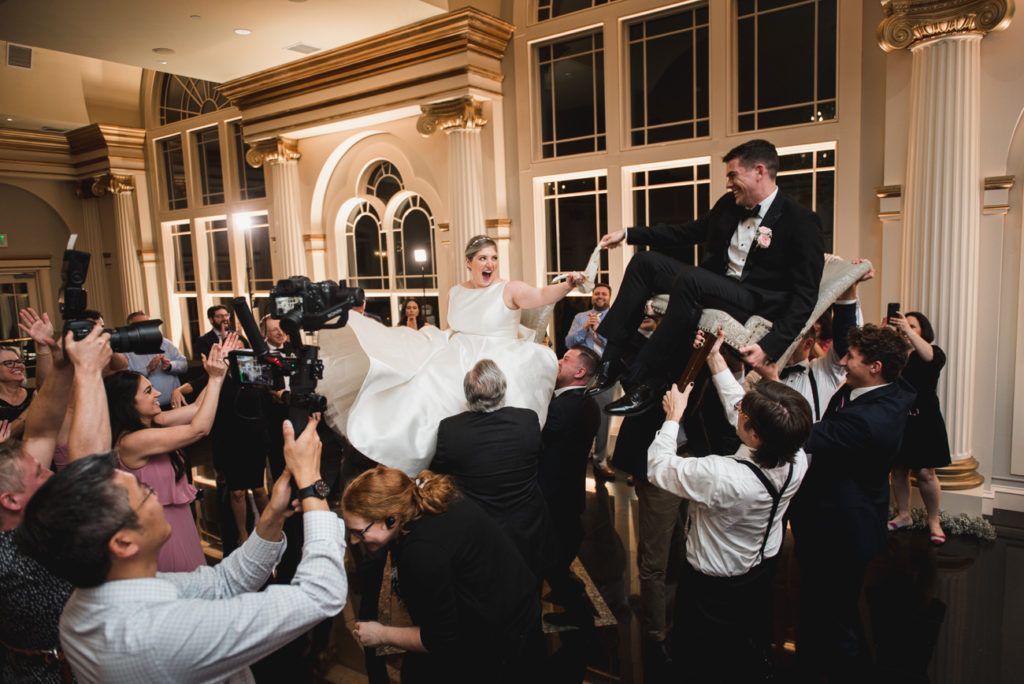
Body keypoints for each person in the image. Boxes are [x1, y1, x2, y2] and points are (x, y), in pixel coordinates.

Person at [17, 414, 347, 684]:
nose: (157, 497)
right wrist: (311, 485)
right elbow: (320, 595)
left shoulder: (93, 598)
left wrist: (272, 516)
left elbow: (224, 584)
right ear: (123, 543)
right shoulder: (157, 636)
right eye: (145, 492)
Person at [587, 139, 825, 416]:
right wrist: (629, 234)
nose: (728, 184)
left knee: (691, 280)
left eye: (733, 175)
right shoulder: (729, 205)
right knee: (644, 263)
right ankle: (611, 361)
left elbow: (806, 294)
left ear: (759, 171)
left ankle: (647, 382)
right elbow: (686, 233)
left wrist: (770, 347)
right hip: (715, 285)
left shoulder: (801, 221)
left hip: (753, 301)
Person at [318, 234, 584, 475]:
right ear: (469, 262)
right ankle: (409, 459)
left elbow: (540, 295)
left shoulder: (509, 288)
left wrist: (567, 285)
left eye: (493, 258)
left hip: (497, 355)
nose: (489, 263)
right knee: (418, 387)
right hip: (455, 349)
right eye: (482, 258)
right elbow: (454, 327)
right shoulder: (455, 291)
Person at [647, 332, 812, 680]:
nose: (740, 405)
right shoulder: (796, 456)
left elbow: (658, 468)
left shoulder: (723, 476)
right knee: (746, 648)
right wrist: (714, 356)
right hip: (760, 571)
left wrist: (672, 418)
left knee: (700, 660)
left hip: (712, 587)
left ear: (753, 435)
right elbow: (738, 404)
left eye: (744, 411)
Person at [788, 324, 916, 682]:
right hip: (851, 517)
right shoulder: (894, 390)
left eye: (852, 357)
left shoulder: (867, 420)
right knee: (829, 605)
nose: (842, 361)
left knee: (835, 616)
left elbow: (802, 434)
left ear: (876, 366)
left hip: (838, 529)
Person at [344, 466, 543, 683]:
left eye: (359, 532)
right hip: (510, 607)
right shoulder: (427, 500)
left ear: (391, 519)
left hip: (503, 638)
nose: (353, 541)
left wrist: (381, 634)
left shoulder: (421, 552)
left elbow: (438, 639)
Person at [94, 337, 232, 571]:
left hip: (180, 522)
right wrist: (217, 380)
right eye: (148, 390)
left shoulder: (155, 422)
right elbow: (199, 428)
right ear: (127, 403)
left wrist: (220, 368)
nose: (158, 393)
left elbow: (198, 409)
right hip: (158, 530)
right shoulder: (132, 441)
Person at [0, 325, 75, 683]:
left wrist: (60, 367)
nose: (51, 476)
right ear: (11, 500)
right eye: (39, 475)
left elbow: (43, 429)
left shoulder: (38, 515)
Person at [750, 262, 871, 422]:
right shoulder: (756, 375)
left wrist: (849, 284)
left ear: (807, 344)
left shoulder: (825, 371)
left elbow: (845, 339)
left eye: (789, 338)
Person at [886, 310, 951, 544]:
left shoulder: (933, 353)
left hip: (925, 419)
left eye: (912, 326)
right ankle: (903, 515)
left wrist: (908, 332)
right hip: (899, 418)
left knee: (925, 472)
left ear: (923, 331)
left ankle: (934, 521)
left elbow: (928, 357)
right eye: (903, 325)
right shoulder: (894, 355)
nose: (905, 329)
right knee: (898, 470)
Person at [538, 346, 601, 565]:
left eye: (565, 359)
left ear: (580, 372)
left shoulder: (562, 409)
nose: (558, 361)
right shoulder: (588, 404)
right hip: (568, 495)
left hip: (551, 497)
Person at [564, 283, 616, 478]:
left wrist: (599, 330)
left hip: (606, 373)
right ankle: (579, 457)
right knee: (580, 416)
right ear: (592, 296)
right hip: (582, 373)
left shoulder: (617, 317)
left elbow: (616, 345)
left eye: (604, 294)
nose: (600, 296)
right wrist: (584, 329)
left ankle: (600, 461)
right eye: (597, 293)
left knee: (603, 418)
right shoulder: (580, 317)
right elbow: (569, 342)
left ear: (609, 297)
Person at [124, 311, 188, 410]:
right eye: (141, 325)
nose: (146, 327)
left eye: (148, 324)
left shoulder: (165, 343)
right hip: (146, 409)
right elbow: (125, 380)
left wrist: (170, 365)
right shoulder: (126, 350)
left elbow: (184, 365)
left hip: (175, 403)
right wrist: (147, 369)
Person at [0, 347, 33, 441]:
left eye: (19, 361)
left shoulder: (34, 393)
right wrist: (34, 407)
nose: (19, 366)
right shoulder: (37, 398)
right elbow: (4, 437)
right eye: (9, 363)